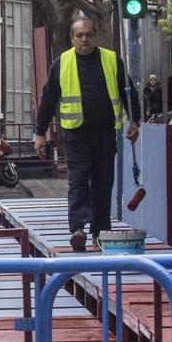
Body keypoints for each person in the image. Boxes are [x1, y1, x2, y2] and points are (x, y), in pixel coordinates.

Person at [33, 16, 139, 252]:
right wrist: (40, 133)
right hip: (75, 136)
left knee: (103, 182)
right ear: (72, 39)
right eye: (79, 35)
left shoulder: (112, 61)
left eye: (88, 34)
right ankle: (78, 228)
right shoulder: (62, 64)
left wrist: (135, 120)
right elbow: (48, 100)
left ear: (95, 36)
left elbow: (128, 93)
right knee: (79, 180)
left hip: (105, 134)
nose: (84, 39)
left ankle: (100, 232)